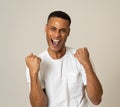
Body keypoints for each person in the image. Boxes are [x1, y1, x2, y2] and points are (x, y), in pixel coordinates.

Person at [25, 10, 103, 107]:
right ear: (46, 28)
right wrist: (33, 73)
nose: (57, 35)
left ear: (68, 32)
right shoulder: (35, 63)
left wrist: (87, 65)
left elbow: (96, 99)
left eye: (62, 30)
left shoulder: (81, 57)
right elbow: (38, 106)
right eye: (53, 29)